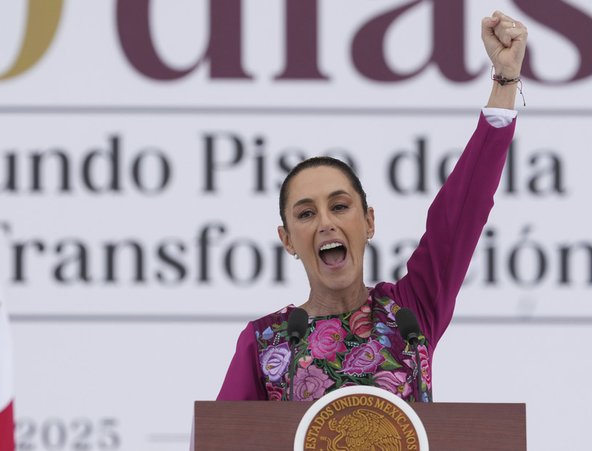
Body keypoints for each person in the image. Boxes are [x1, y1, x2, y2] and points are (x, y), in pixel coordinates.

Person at [217, 11, 528, 403]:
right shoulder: (266, 344)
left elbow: (461, 213)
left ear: (368, 222)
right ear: (288, 239)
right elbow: (220, 438)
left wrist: (504, 81)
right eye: (306, 214)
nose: (326, 223)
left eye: (340, 206)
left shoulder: (408, 316)